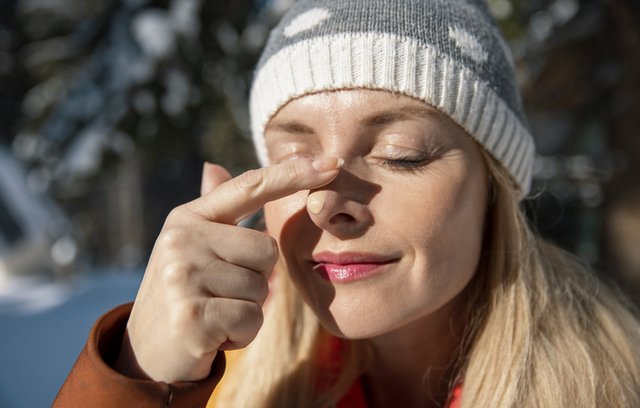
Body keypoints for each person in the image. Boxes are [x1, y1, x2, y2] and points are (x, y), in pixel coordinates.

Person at [54, 0, 640, 407]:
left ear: (495, 185)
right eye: (294, 157)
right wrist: (139, 382)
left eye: (399, 152)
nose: (327, 204)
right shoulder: (214, 380)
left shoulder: (617, 385)